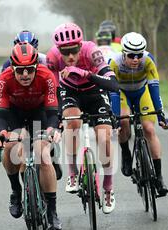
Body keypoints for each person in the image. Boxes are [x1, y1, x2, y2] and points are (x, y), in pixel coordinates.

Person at [47, 23, 119, 214]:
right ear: (58, 50)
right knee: (72, 122)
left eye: (74, 50)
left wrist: (84, 73)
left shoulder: (91, 51)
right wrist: (56, 116)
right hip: (70, 91)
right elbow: (53, 89)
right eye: (65, 51)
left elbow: (113, 84)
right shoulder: (53, 57)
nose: (70, 56)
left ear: (80, 46)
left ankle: (108, 188)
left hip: (94, 91)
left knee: (104, 138)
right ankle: (72, 172)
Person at [0, 43, 63, 230]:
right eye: (20, 70)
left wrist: (52, 129)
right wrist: (3, 134)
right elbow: (1, 116)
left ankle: (52, 211)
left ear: (35, 67)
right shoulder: (4, 79)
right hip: (14, 114)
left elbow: (52, 112)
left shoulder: (46, 75)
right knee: (11, 146)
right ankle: (16, 190)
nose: (25, 75)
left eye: (29, 70)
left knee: (42, 154)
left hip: (39, 113)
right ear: (12, 68)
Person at [109, 32, 168, 197]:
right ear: (123, 53)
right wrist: (115, 119)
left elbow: (154, 89)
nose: (136, 59)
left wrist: (160, 115)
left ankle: (159, 177)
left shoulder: (148, 60)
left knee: (149, 129)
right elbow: (113, 93)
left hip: (142, 93)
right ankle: (126, 153)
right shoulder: (114, 63)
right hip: (121, 93)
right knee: (123, 120)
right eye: (131, 55)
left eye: (139, 55)